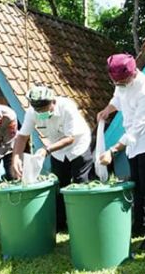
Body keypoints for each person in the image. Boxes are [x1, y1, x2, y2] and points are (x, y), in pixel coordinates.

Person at [98, 54, 145, 250]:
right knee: (135, 184)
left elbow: (138, 128)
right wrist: (107, 110)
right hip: (133, 140)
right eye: (115, 82)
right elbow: (117, 98)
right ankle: (139, 225)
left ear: (133, 73)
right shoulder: (121, 84)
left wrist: (113, 150)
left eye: (122, 81)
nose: (119, 84)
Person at [12, 85, 93, 231]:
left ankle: (83, 223)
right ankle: (61, 224)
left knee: (81, 183)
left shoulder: (67, 107)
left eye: (44, 109)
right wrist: (16, 157)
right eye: (38, 110)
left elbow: (70, 138)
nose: (41, 113)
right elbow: (22, 136)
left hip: (78, 146)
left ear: (53, 101)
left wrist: (46, 149)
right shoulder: (32, 113)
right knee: (60, 185)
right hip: (57, 151)